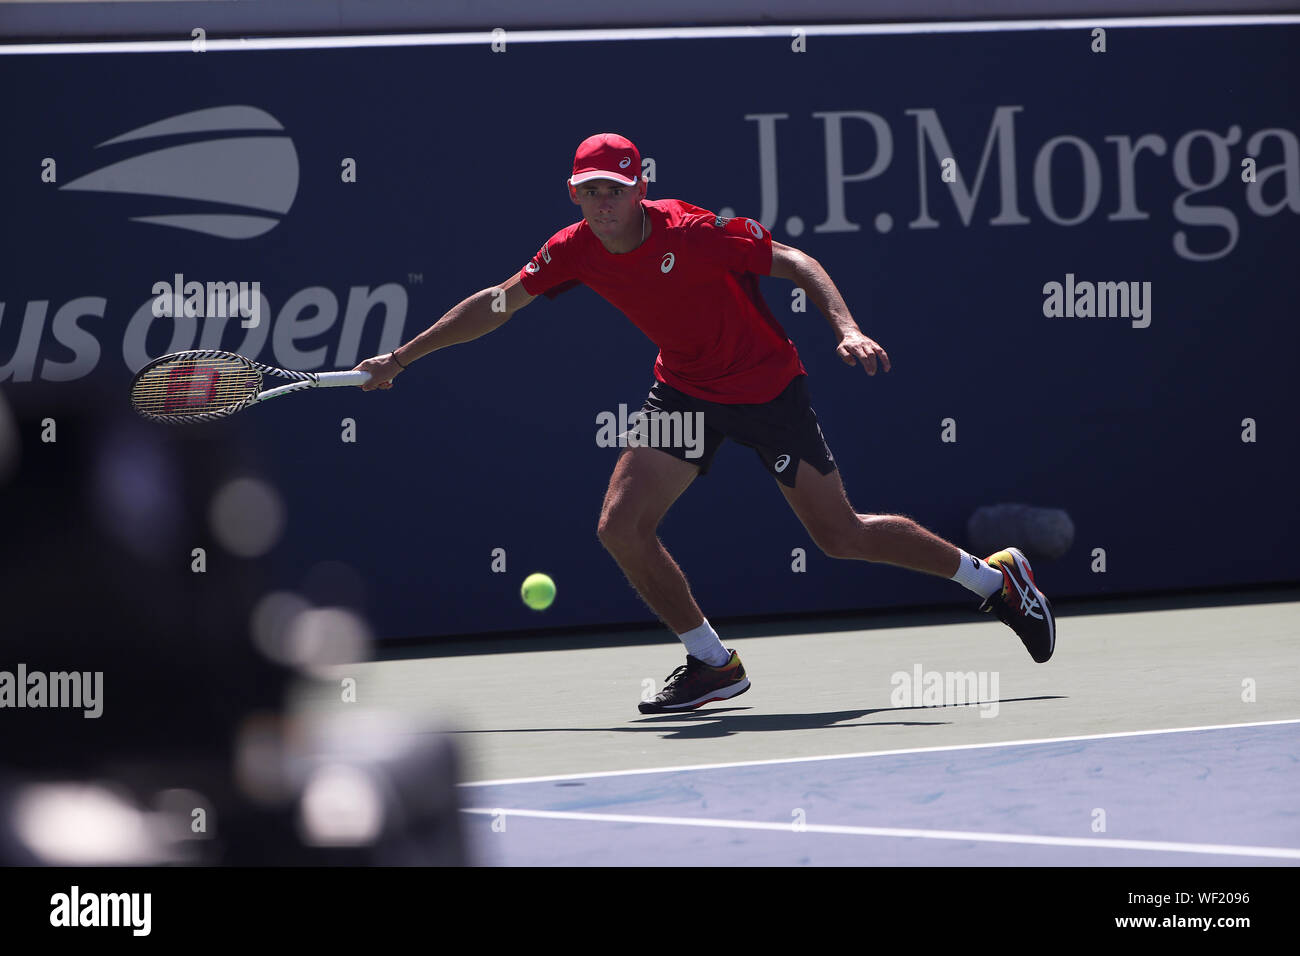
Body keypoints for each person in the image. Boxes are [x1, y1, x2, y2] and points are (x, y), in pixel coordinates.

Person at [355, 132, 1056, 713]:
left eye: (614, 188)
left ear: (640, 188)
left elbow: (795, 261)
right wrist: (403, 357)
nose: (601, 202)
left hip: (766, 389)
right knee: (620, 528)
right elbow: (496, 304)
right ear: (575, 195)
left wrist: (845, 327)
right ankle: (712, 662)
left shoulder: (691, 230)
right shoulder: (572, 248)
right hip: (685, 393)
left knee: (842, 537)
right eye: (588, 189)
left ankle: (995, 583)